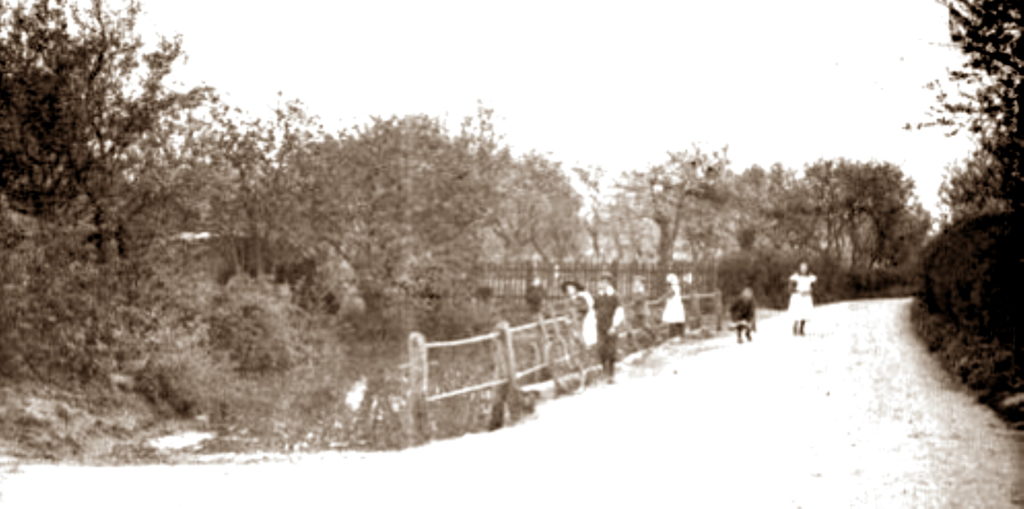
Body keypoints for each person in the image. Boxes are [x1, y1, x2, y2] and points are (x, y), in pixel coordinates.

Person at [593, 274, 625, 383]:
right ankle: (603, 371)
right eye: (600, 281)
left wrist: (614, 326)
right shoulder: (598, 296)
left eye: (603, 282)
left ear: (608, 283)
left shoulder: (615, 296)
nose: (600, 284)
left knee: (611, 350)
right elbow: (594, 310)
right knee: (601, 349)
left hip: (611, 326)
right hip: (600, 326)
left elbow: (619, 312)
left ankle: (611, 374)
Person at [561, 281, 597, 348]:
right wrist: (568, 317)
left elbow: (584, 309)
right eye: (568, 289)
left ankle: (585, 346)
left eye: (571, 288)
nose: (569, 290)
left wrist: (575, 315)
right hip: (573, 320)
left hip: (583, 319)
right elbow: (567, 311)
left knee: (580, 331)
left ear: (575, 289)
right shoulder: (568, 300)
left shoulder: (580, 297)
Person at [788, 262, 817, 336]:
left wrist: (810, 291)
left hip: (806, 296)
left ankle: (801, 328)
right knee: (796, 312)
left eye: (805, 268)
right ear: (799, 268)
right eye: (802, 268)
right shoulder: (795, 277)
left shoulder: (810, 277)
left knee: (805, 313)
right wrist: (797, 291)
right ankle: (794, 327)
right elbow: (790, 288)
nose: (804, 269)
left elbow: (814, 287)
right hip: (798, 296)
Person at [662, 273, 686, 340]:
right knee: (673, 320)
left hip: (674, 305)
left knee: (675, 319)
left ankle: (677, 335)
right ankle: (674, 335)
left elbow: (669, 294)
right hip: (674, 304)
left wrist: (661, 299)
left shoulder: (674, 287)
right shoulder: (675, 287)